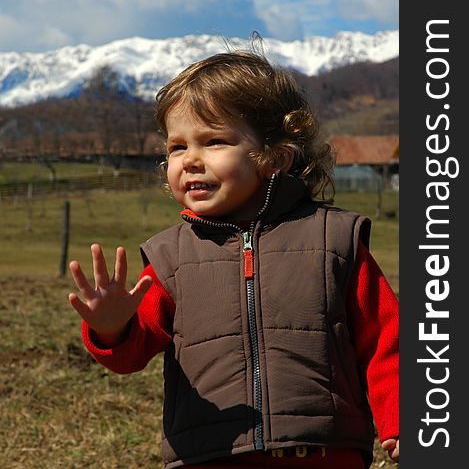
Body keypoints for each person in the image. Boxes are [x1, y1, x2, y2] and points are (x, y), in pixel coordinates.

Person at [69, 50, 399, 469]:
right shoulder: (171, 258)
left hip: (321, 452)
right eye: (176, 146)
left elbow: (388, 344)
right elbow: (132, 355)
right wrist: (112, 328)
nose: (189, 159)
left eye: (214, 141)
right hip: (212, 453)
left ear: (275, 157)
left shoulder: (335, 240)